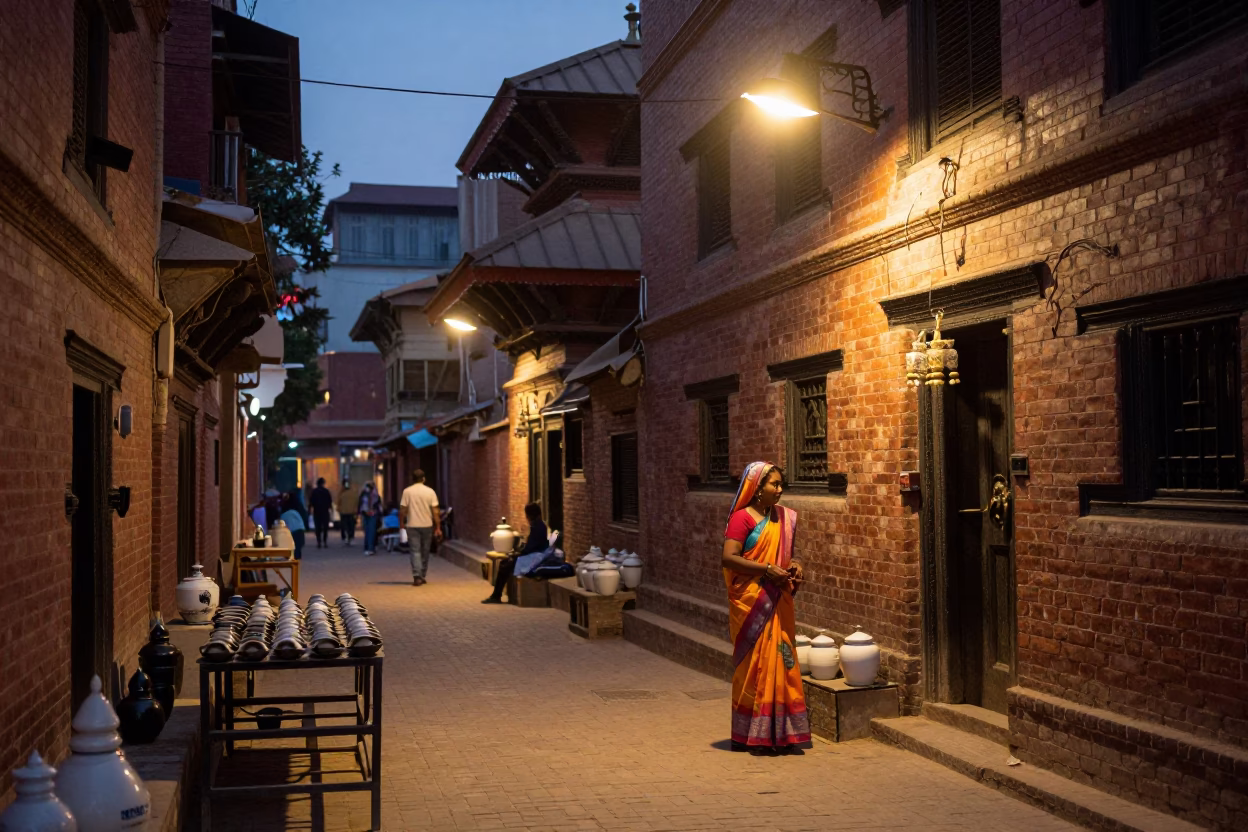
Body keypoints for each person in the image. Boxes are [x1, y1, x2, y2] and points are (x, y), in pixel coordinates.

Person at [721, 461, 810, 754]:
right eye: (774, 484)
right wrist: (765, 570)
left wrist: (794, 566)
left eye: (781, 484)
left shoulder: (783, 518)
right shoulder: (742, 519)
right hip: (752, 601)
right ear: (758, 488)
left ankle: (780, 733)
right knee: (754, 666)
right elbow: (729, 558)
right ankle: (749, 734)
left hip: (777, 599)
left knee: (782, 661)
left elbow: (787, 557)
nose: (780, 490)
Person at [482, 503, 547, 604]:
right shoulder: (538, 526)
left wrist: (519, 553)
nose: (527, 518)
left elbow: (531, 548)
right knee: (505, 562)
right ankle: (496, 594)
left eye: (528, 516)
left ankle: (496, 595)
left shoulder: (538, 527)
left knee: (505, 565)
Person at [399, 470, 441, 586]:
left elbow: (403, 510)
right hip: (427, 525)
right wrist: (438, 527)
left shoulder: (407, 492)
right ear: (423, 479)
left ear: (412, 479)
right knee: (425, 551)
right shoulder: (430, 492)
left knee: (415, 551)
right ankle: (422, 574)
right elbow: (435, 511)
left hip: (412, 525)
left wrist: (401, 524)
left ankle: (417, 576)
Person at [280, 493, 307, 560]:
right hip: (299, 528)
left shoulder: (284, 511)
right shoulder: (297, 508)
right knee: (298, 547)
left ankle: (294, 560)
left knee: (294, 546)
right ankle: (296, 561)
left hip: (291, 530)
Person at [309, 477, 333, 549]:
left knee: (318, 527)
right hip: (325, 511)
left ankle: (319, 542)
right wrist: (330, 508)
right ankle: (325, 541)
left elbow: (311, 502)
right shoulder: (326, 491)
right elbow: (330, 501)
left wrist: (310, 509)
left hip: (317, 511)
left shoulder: (314, 491)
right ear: (323, 483)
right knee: (325, 527)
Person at [358, 482, 382, 556]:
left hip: (367, 514)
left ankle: (368, 548)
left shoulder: (364, 495)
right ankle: (370, 548)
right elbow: (379, 506)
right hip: (372, 515)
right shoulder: (375, 495)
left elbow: (360, 505)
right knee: (370, 531)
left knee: (368, 531)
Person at [338, 480, 359, 546]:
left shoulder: (341, 494)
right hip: (352, 512)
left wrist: (339, 510)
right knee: (351, 526)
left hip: (343, 512)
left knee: (344, 526)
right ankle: (350, 537)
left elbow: (338, 502)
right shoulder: (354, 493)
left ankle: (345, 538)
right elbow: (357, 503)